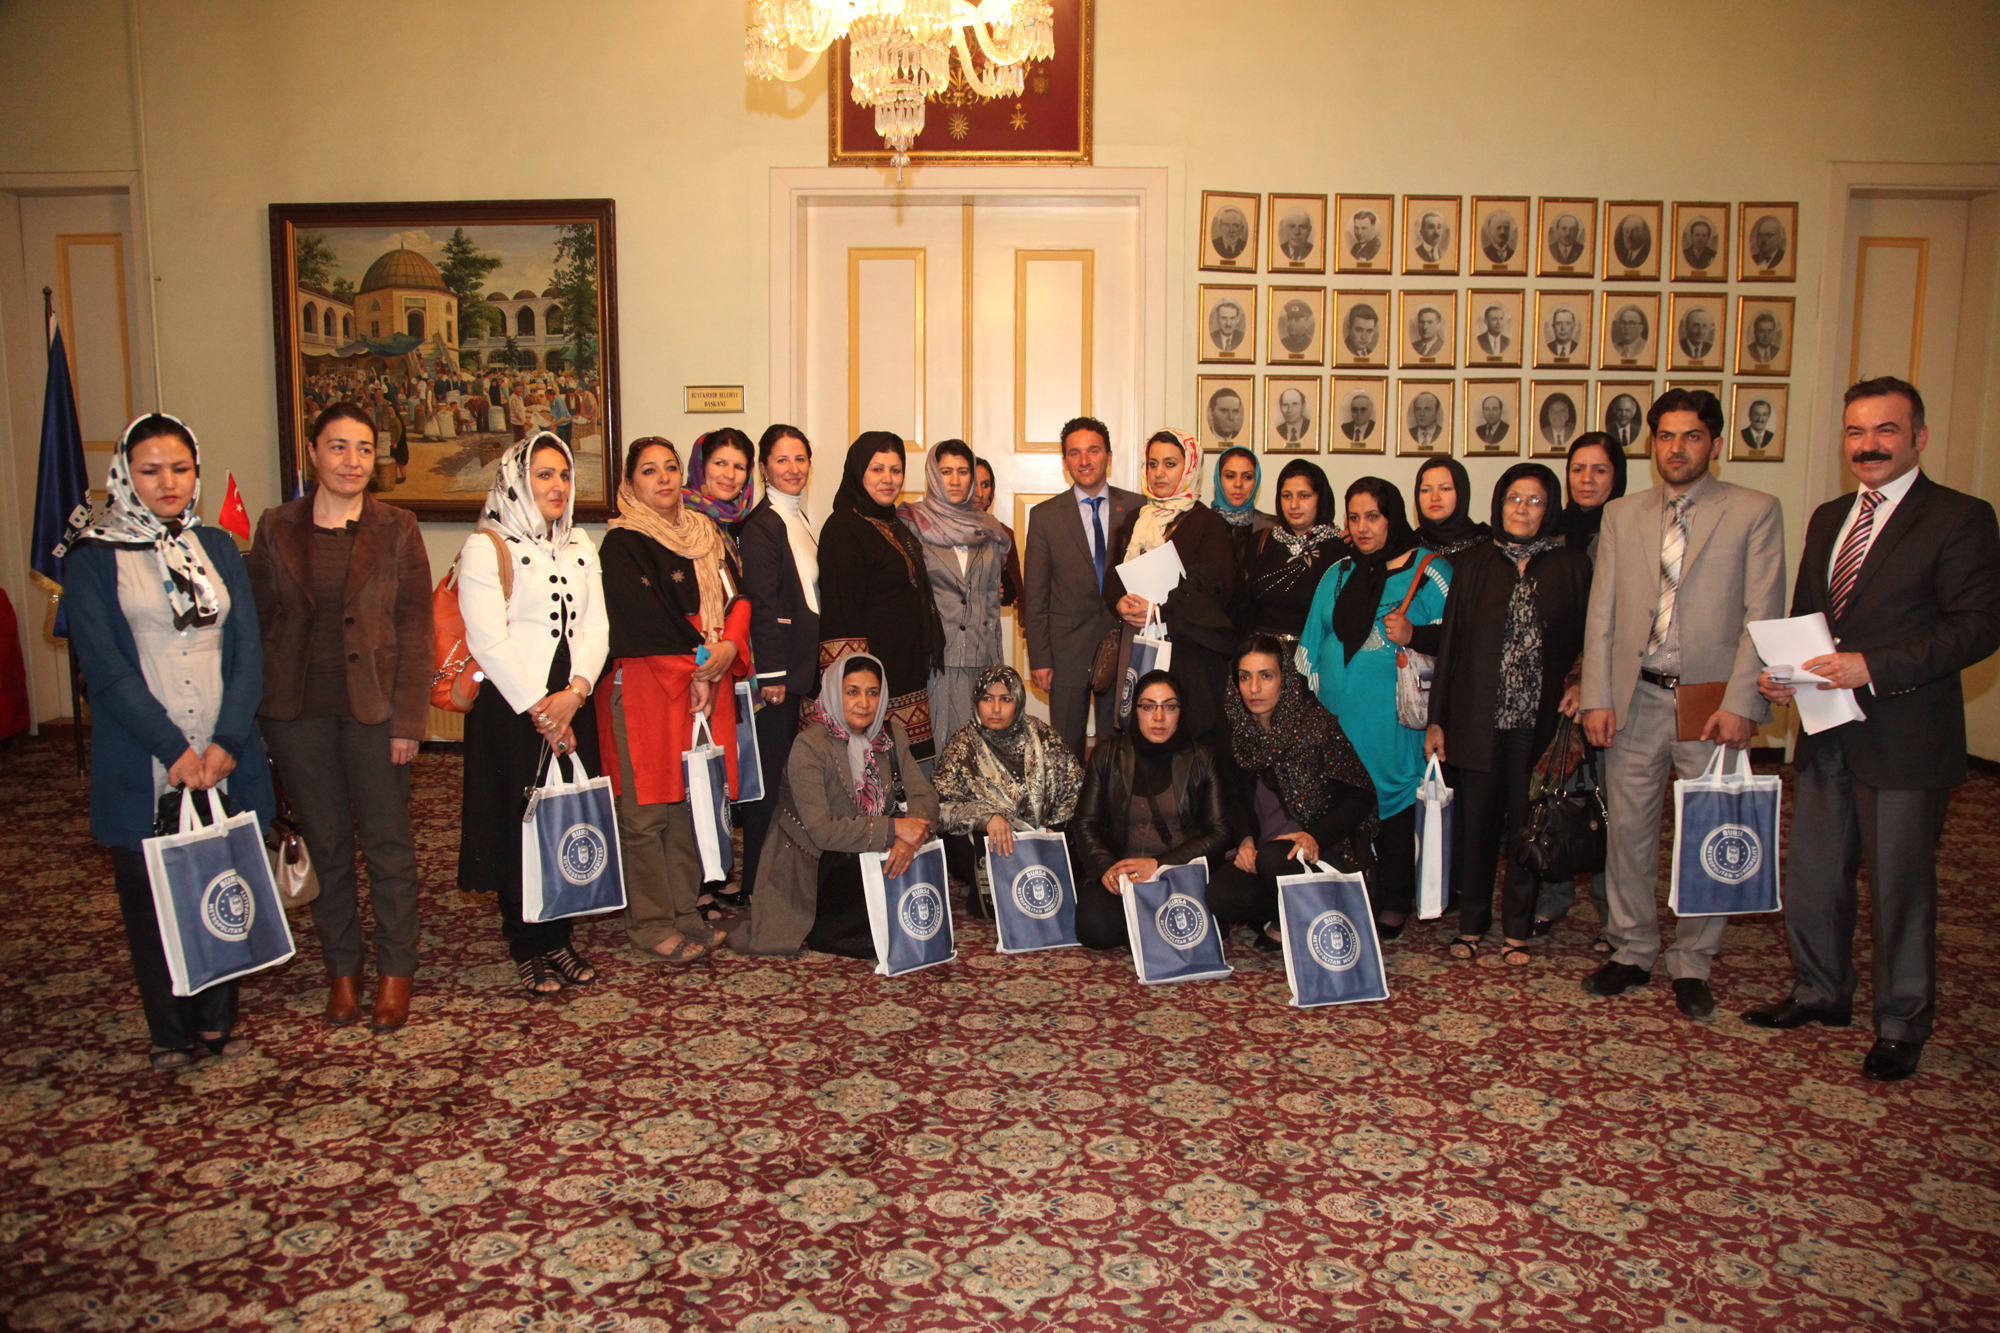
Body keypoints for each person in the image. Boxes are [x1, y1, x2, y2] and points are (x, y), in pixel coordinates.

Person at [1745, 377, 2000, 1081]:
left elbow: (1978, 625)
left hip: (1905, 734)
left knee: (1899, 888)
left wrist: (1872, 666)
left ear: (1919, 436)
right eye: (1856, 432)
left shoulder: (1959, 517)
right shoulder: (1830, 516)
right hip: (1826, 728)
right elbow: (1809, 618)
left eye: (1886, 430)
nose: (1869, 445)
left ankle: (1901, 1021)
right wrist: (1781, 674)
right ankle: (1820, 990)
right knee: (1815, 876)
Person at [65, 414, 276, 1070]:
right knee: (151, 898)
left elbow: (248, 651)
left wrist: (227, 741)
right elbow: (104, 668)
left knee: (224, 883)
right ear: (124, 475)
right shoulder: (93, 556)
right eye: (150, 470)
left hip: (221, 746)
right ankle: (170, 1030)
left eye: (180, 469)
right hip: (147, 754)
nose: (168, 482)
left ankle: (217, 1020)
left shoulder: (215, 546)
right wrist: (174, 751)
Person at [1580, 389, 1785, 1019]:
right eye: (1665, 436)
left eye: (1691, 436)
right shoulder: (1623, 514)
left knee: (1710, 832)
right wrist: (1597, 697)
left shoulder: (1754, 511)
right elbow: (1602, 614)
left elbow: (1762, 614)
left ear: (1714, 443)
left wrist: (1743, 701)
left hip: (1710, 701)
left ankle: (1694, 960)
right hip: (1635, 696)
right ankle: (1632, 948)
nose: (1676, 448)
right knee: (1628, 834)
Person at [249, 402, 431, 1032]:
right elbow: (258, 623)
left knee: (387, 845)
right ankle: (343, 972)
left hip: (376, 713)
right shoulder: (275, 527)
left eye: (364, 449)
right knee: (325, 845)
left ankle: (396, 972)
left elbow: (416, 628)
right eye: (338, 447)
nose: (352, 461)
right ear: (312, 452)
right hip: (296, 713)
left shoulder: (398, 527)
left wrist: (408, 723)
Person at [457, 433, 611, 994]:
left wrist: (577, 691)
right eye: (544, 475)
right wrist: (542, 710)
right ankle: (526, 942)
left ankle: (559, 936)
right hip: (513, 711)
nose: (558, 486)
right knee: (517, 825)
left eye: (564, 475)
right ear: (517, 482)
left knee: (565, 817)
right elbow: (487, 641)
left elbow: (597, 626)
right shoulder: (485, 547)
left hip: (572, 701)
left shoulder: (580, 544)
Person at [1426, 464, 1594, 965]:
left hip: (1538, 724)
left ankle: (1518, 928)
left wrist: (1582, 681)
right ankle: (1472, 924)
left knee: (1528, 825)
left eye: (1535, 500)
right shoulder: (1473, 564)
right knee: (1476, 827)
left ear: (1550, 509)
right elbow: (1451, 648)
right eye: (1514, 498)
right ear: (1499, 503)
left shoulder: (1571, 567)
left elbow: (1591, 639)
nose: (1522, 509)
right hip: (1477, 720)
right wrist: (1437, 720)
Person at [598, 435, 753, 962]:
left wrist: (728, 648)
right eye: (649, 470)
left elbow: (738, 597)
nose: (663, 478)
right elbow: (642, 623)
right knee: (646, 812)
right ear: (629, 483)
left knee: (689, 804)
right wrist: (699, 669)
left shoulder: (705, 534)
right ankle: (650, 922)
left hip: (703, 680)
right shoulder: (622, 544)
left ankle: (686, 912)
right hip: (648, 686)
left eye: (669, 467)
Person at [1300, 478, 1451, 935]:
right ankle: (1346, 893)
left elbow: (1460, 642)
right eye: (1354, 517)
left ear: (1393, 517)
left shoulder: (1431, 571)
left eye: (1373, 516)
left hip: (1394, 725)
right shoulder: (1338, 573)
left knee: (1394, 805)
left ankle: (1396, 898)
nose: (1362, 527)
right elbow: (1311, 645)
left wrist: (1414, 634)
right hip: (1336, 720)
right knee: (1342, 805)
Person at [727, 654, 939, 959]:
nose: (864, 703)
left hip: (871, 849)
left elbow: (924, 795)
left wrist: (908, 838)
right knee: (876, 910)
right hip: (816, 863)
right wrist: (895, 829)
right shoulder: (810, 746)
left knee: (927, 846)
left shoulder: (892, 735)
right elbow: (822, 831)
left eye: (872, 692)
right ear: (833, 693)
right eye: (852, 692)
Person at [1215, 637, 1377, 947]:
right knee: (1221, 894)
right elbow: (1235, 795)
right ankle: (1290, 913)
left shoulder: (1315, 724)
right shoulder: (1237, 731)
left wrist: (1314, 835)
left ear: (1285, 678)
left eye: (1266, 676)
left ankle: (1309, 915)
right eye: (1245, 677)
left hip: (1324, 849)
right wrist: (1245, 840)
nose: (1254, 688)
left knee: (1276, 857)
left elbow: (1362, 794)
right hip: (1269, 853)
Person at [1533, 432, 1630, 944]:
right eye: (1577, 469)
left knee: (1609, 804)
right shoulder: (1552, 533)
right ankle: (1552, 898)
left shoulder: (1631, 531)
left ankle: (1615, 915)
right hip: (1549, 684)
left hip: (1607, 685)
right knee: (1555, 795)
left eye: (1599, 470)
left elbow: (1622, 620)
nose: (1586, 480)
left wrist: (1586, 679)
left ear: (1618, 476)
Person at [1066, 670, 1232, 950]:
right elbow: (1085, 823)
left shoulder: (1202, 758)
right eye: (1148, 707)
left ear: (1180, 711)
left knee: (1216, 917)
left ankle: (1146, 923)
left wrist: (1159, 864)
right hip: (1123, 873)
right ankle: (1154, 925)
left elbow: (1219, 833)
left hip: (1178, 873)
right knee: (1093, 927)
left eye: (1169, 707)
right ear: (1136, 710)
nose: (1158, 717)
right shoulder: (1107, 754)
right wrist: (1105, 867)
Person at [818, 431, 948, 764]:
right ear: (858, 472)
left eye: (895, 470)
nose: (888, 479)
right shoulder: (843, 527)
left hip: (903, 672)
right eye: (877, 469)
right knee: (874, 771)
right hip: (873, 678)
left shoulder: (891, 523)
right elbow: (842, 613)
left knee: (907, 770)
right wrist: (857, 687)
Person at [1106, 430, 1239, 741]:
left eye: (1170, 464)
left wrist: (1159, 611)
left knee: (1184, 739)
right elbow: (1113, 576)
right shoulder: (1137, 518)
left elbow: (1212, 590)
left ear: (1189, 468)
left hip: (1187, 653)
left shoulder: (1208, 523)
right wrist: (1119, 601)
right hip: (1139, 646)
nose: (1159, 473)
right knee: (1141, 736)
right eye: (1153, 464)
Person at [1024, 417, 1142, 759]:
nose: (1085, 460)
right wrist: (1040, 658)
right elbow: (1036, 595)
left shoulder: (1138, 509)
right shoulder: (1045, 516)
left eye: (1093, 451)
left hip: (1124, 645)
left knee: (1117, 748)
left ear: (1109, 456)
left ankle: (1110, 797)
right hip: (1066, 654)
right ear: (1065, 462)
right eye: (1075, 453)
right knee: (1065, 749)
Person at [737, 424, 820, 910]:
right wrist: (771, 675)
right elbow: (762, 604)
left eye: (800, 459)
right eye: (782, 460)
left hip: (799, 672)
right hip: (778, 678)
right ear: (764, 468)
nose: (793, 468)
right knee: (768, 785)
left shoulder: (798, 517)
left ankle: (779, 882)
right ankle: (757, 888)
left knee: (787, 779)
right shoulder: (762, 524)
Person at [932, 664, 1084, 910]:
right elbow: (939, 806)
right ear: (976, 702)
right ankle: (994, 893)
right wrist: (985, 817)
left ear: (1018, 702)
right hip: (993, 840)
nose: (995, 709)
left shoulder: (1044, 737)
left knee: (1081, 835)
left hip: (1044, 835)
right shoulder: (962, 746)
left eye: (1005, 699)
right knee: (962, 840)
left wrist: (1053, 828)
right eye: (987, 699)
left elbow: (1077, 789)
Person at [902, 438, 1012, 748]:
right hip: (934, 661)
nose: (955, 480)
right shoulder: (913, 525)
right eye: (946, 471)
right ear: (933, 474)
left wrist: (998, 670)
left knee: (980, 747)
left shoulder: (988, 530)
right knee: (939, 747)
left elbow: (991, 606)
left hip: (980, 658)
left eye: (963, 472)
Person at [1238, 460, 1345, 642]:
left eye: (1304, 496)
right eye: (1286, 496)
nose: (1294, 505)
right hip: (1262, 653)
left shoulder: (1340, 549)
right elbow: (1242, 607)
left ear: (1321, 498)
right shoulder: (1262, 541)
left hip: (1313, 654)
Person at [683, 428, 757, 544]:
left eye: (739, 467)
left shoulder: (746, 523)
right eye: (720, 463)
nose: (730, 475)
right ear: (700, 467)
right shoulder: (679, 519)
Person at [1411, 456, 1490, 559]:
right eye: (1426, 490)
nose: (1435, 498)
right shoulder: (1408, 546)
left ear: (1461, 493)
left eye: (1445, 489)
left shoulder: (1488, 547)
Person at [972, 456, 1024, 609]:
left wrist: (1001, 591)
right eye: (972, 485)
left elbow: (1012, 589)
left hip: (984, 621)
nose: (979, 493)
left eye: (985, 485)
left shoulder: (1001, 533)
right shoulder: (937, 529)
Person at [1210, 445, 1275, 566]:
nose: (1238, 484)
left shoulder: (1273, 528)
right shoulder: (1200, 524)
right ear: (1218, 479)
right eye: (1230, 476)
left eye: (1247, 477)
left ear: (1256, 481)